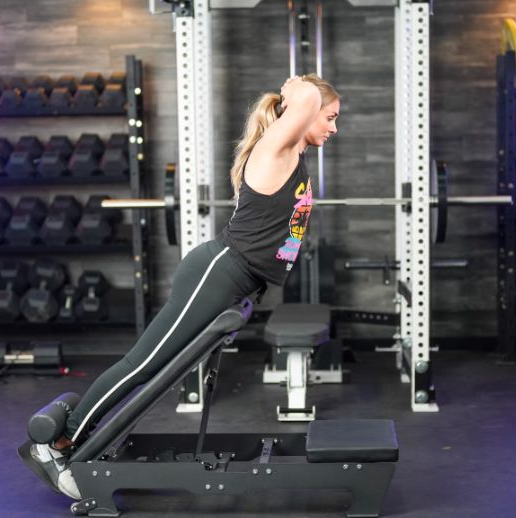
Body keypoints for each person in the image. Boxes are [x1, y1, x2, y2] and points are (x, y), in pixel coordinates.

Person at [29, 74, 341, 499]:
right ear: (302, 113)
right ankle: (60, 446)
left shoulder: (292, 156)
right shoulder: (276, 149)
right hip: (218, 271)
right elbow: (305, 96)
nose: (333, 127)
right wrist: (296, 87)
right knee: (143, 365)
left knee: (151, 367)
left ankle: (72, 437)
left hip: (234, 279)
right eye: (330, 117)